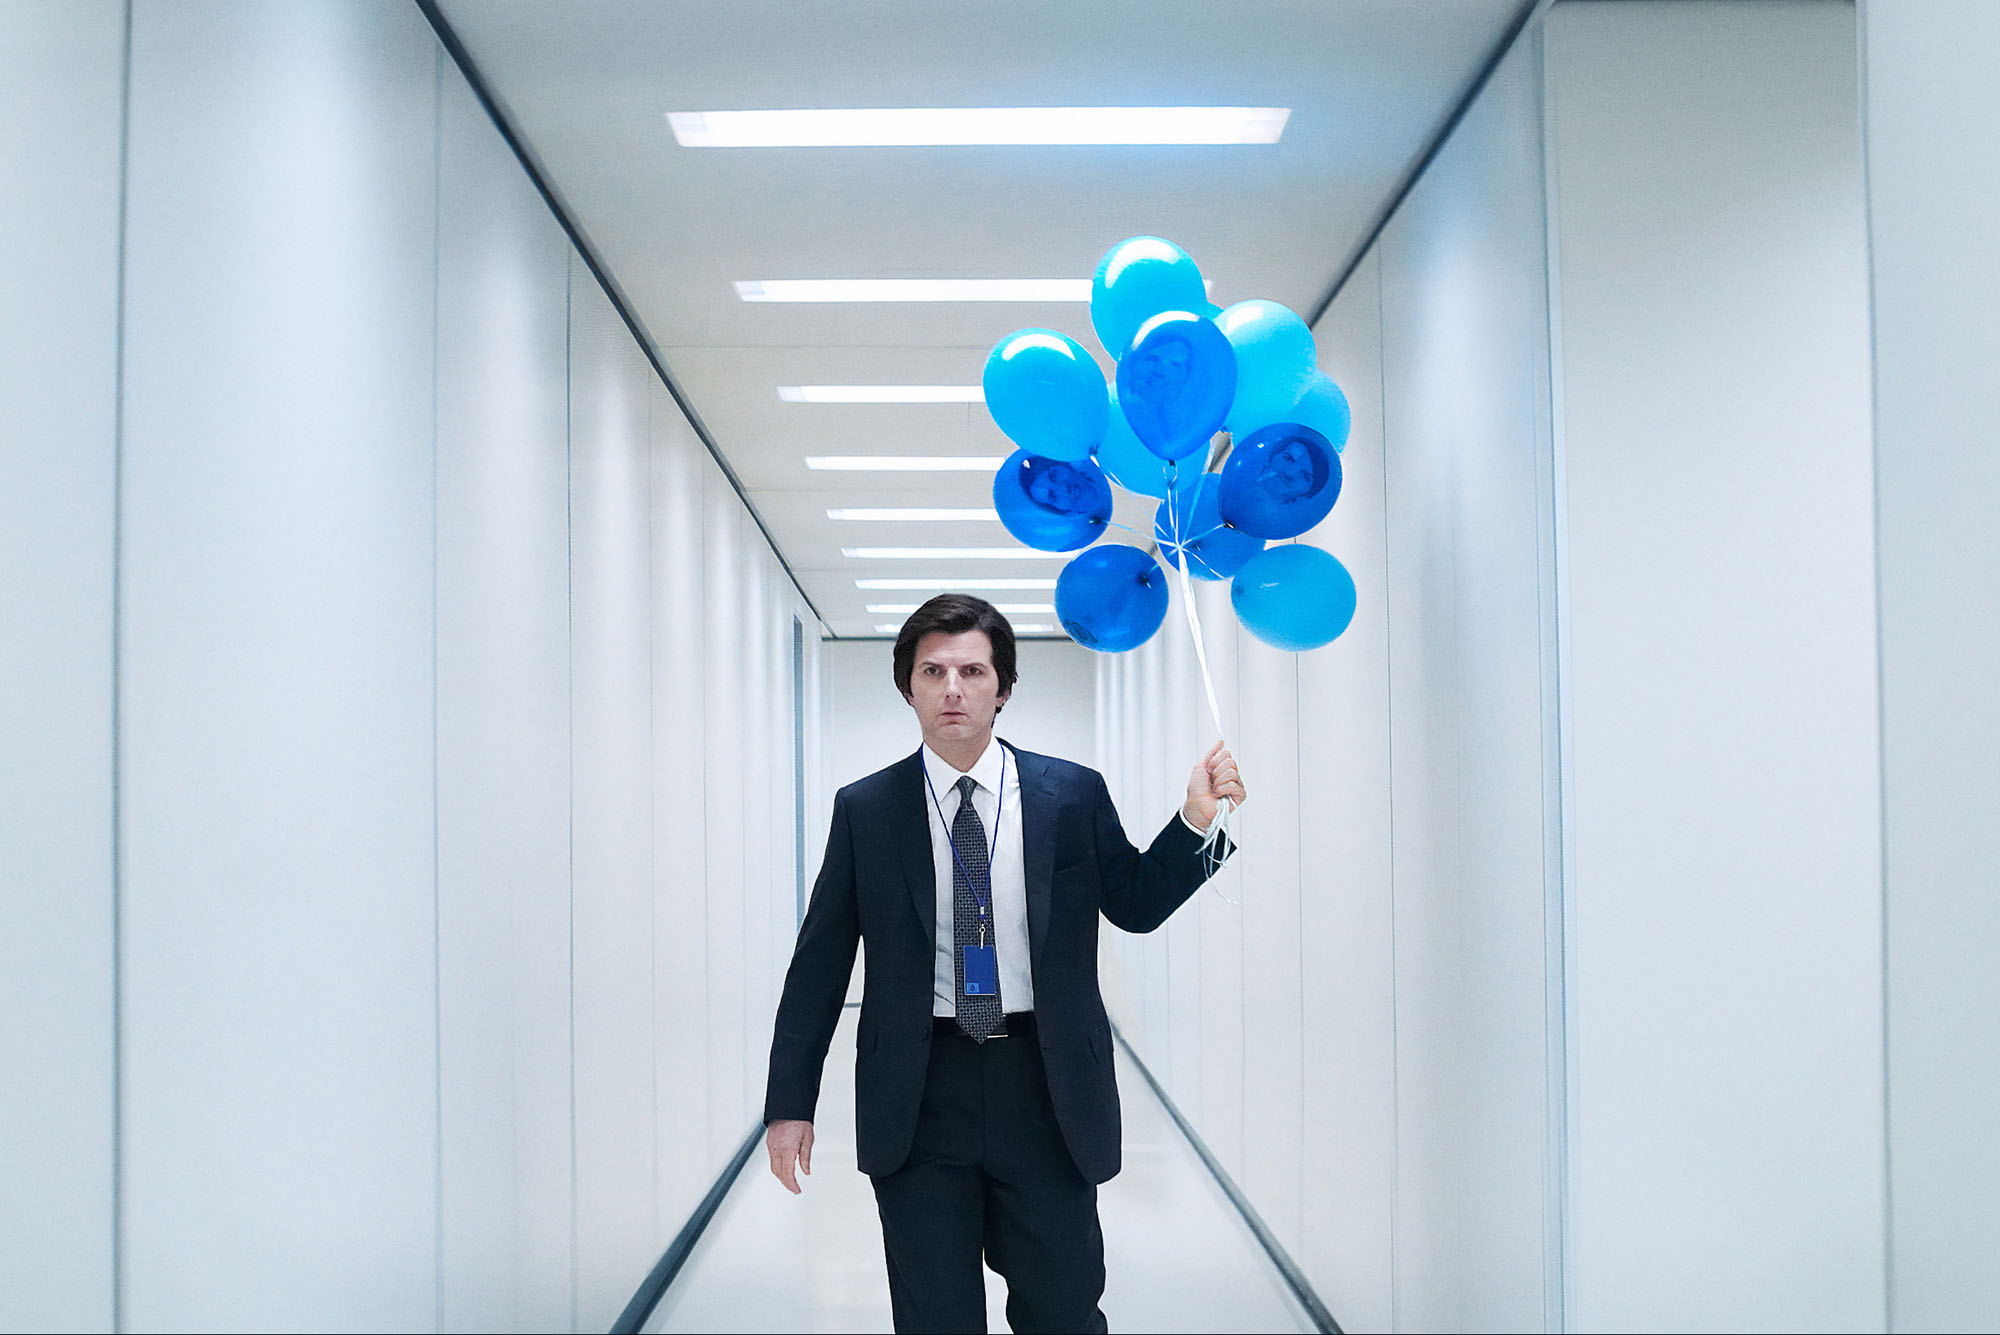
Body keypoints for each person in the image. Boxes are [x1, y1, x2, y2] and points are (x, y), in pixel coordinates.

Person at [762, 593, 1245, 1334]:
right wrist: (789, 1101)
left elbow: (1136, 902)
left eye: (972, 670)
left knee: (1062, 1307)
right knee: (935, 1315)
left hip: (1044, 1086)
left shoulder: (1070, 795)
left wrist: (1196, 823)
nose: (953, 688)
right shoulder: (866, 809)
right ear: (908, 686)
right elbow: (819, 963)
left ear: (1003, 688)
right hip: (920, 1094)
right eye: (933, 670)